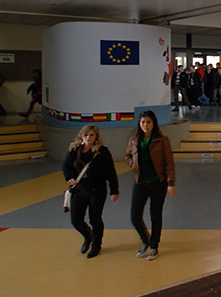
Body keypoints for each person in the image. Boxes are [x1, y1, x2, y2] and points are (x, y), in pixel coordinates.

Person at [124, 110, 176, 261]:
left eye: (148, 122)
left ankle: (154, 245)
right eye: (142, 122)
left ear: (154, 123)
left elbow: (169, 162)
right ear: (139, 124)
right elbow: (127, 155)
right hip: (140, 182)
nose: (145, 125)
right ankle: (145, 239)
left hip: (157, 182)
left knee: (155, 215)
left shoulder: (162, 140)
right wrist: (134, 166)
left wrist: (170, 183)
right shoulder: (134, 140)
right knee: (135, 216)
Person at [62, 125, 120, 258]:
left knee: (95, 218)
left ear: (96, 137)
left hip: (96, 190)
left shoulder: (102, 152)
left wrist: (114, 190)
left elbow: (111, 172)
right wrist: (69, 177)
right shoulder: (74, 150)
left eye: (92, 135)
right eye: (86, 134)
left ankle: (96, 245)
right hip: (79, 190)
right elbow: (66, 166)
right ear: (81, 136)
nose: (88, 137)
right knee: (76, 220)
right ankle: (88, 236)